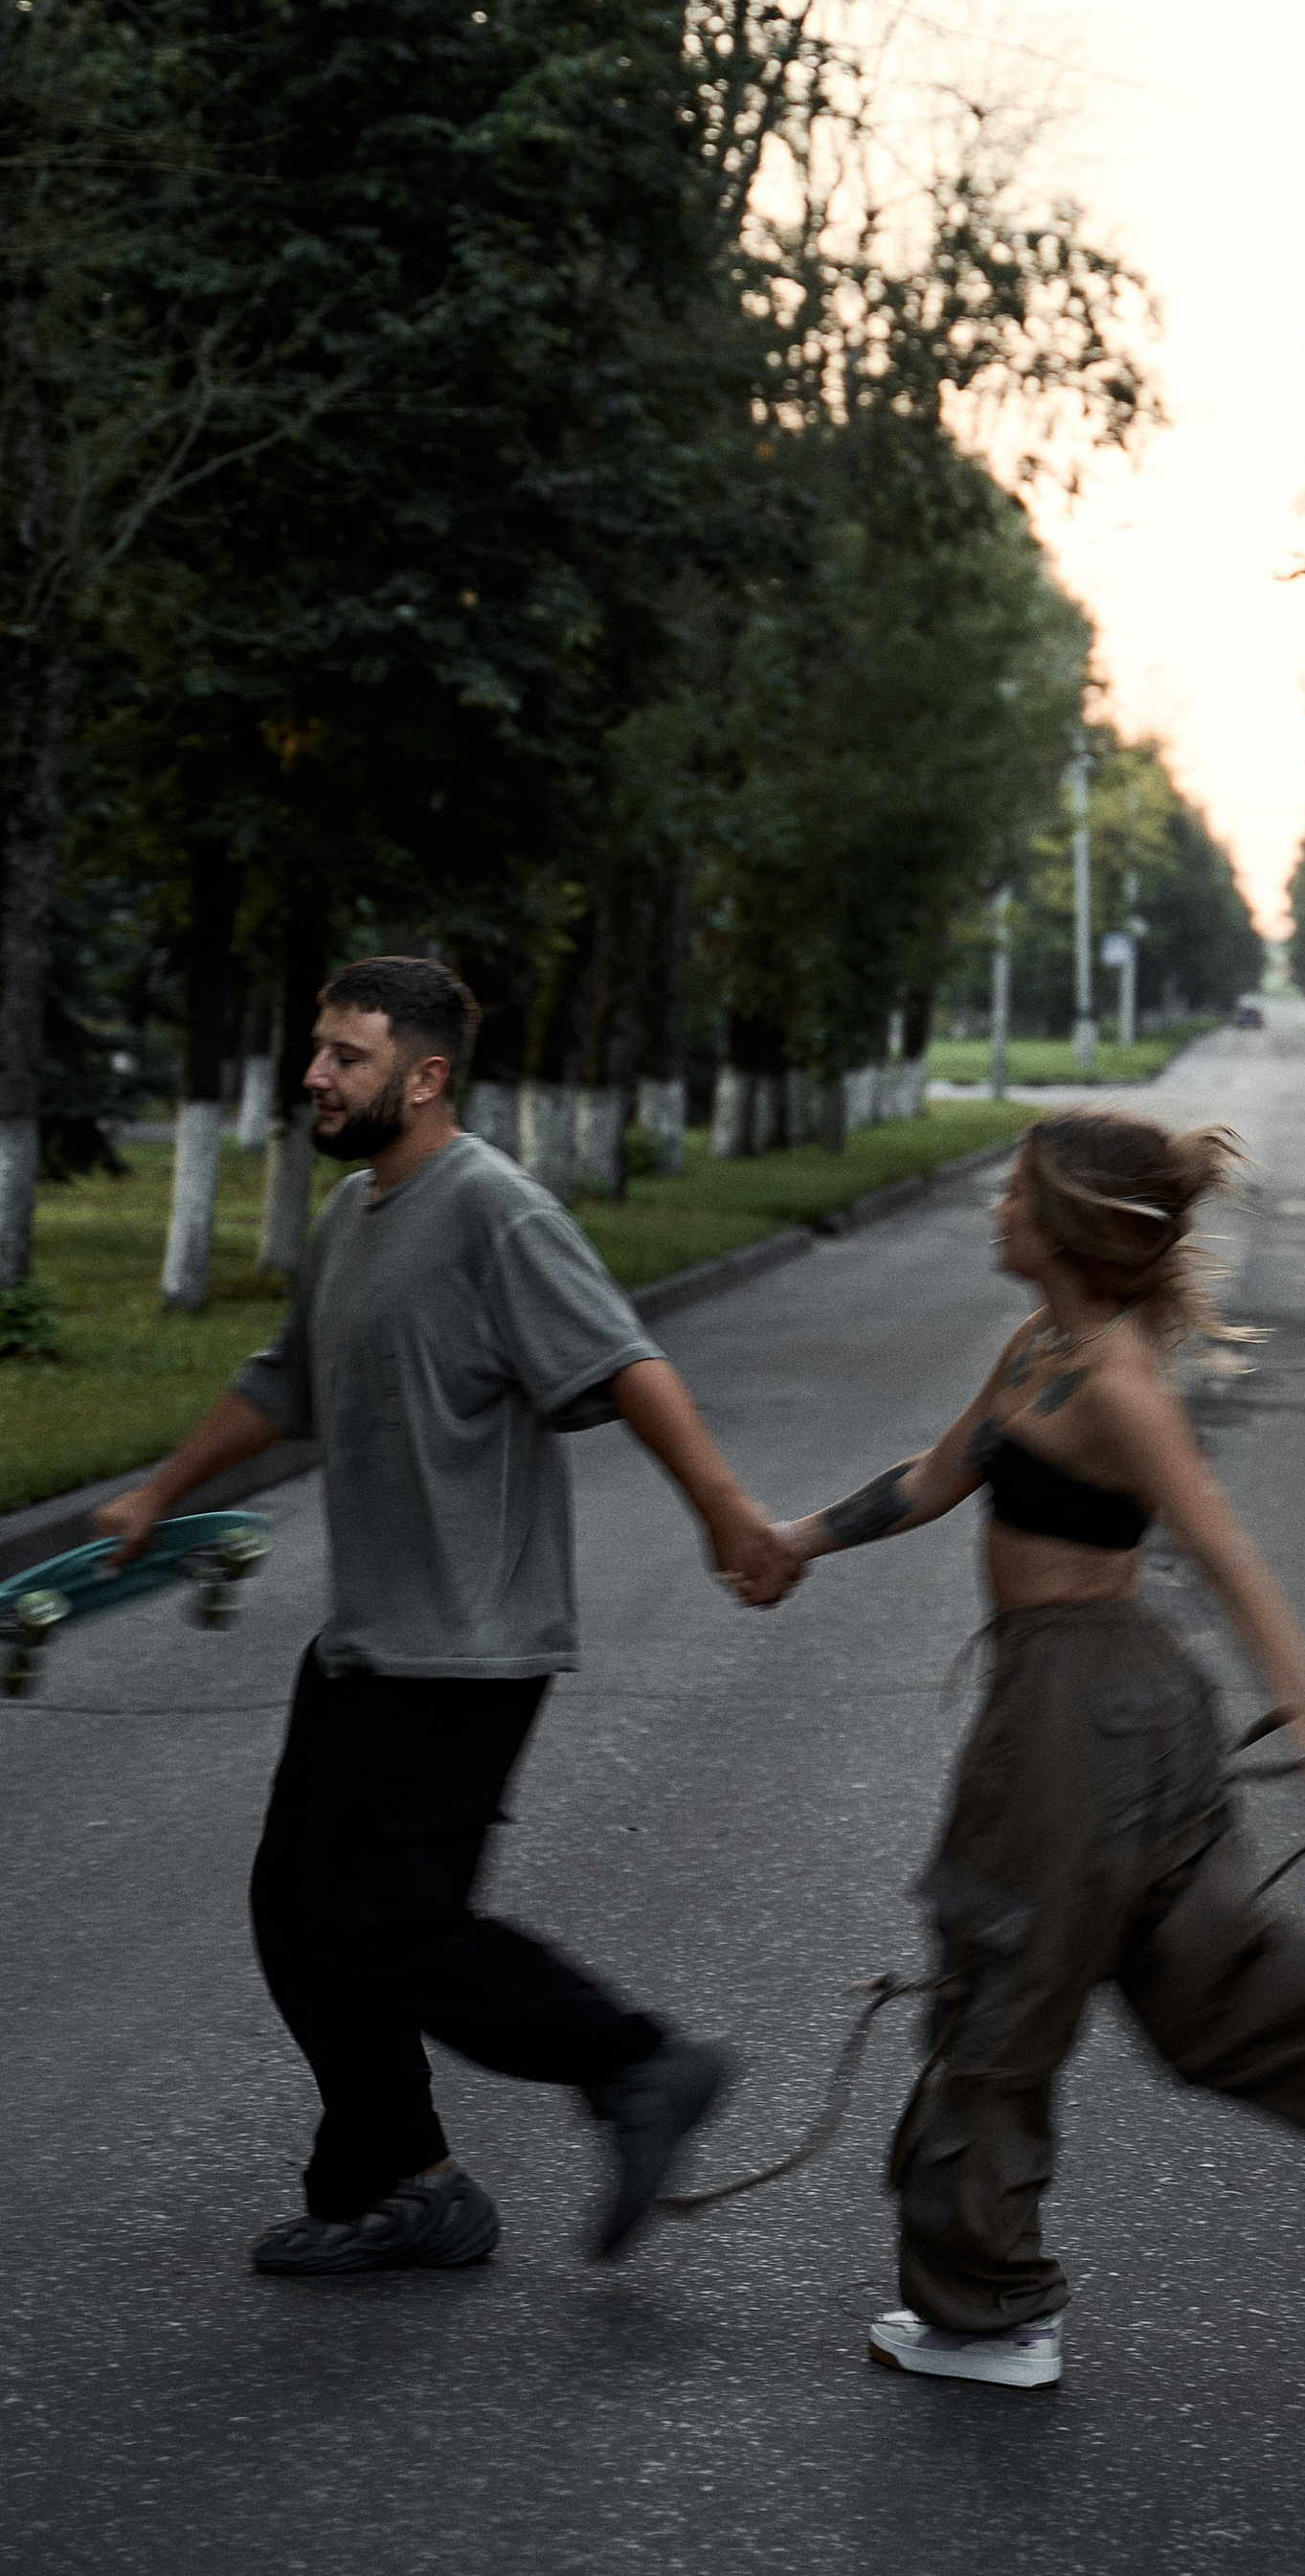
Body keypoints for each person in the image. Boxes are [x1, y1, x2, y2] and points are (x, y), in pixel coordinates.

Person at [776, 1107, 1305, 2393]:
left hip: (1070, 1711)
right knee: (1200, 1977)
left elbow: (1227, 1550)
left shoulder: (1119, 1385)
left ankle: (987, 2315)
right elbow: (938, 1472)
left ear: (1067, 1222)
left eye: (1013, 1193)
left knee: (1002, 1986)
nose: (993, 1208)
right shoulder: (1042, 1349)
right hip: (1130, 1705)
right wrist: (791, 1540)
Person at [98, 953, 800, 2280]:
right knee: (299, 1917)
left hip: (470, 1644)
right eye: (317, 1050)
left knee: (394, 1922)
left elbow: (624, 1360)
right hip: (369, 1639)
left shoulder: (496, 1210)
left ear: (424, 1079)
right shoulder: (354, 1215)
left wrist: (726, 1514)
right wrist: (157, 1493)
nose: (314, 1075)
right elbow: (283, 1383)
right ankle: (405, 2180)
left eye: (346, 1057)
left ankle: (639, 2066)